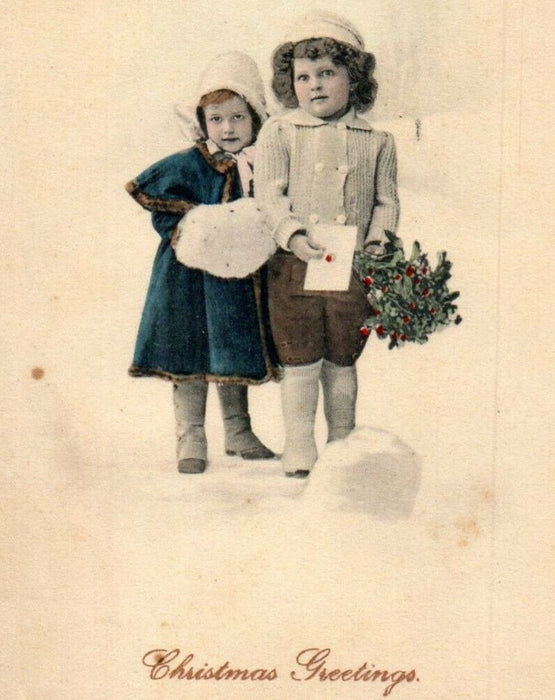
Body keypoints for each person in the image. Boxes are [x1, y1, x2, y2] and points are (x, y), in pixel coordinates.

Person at [255, 12, 400, 477]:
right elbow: (268, 196)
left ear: (352, 77)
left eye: (327, 73)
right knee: (298, 356)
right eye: (303, 76)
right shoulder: (279, 132)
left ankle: (341, 448)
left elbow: (386, 202)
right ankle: (299, 448)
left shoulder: (377, 140)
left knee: (341, 355)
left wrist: (378, 244)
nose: (314, 85)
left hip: (349, 262)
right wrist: (293, 237)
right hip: (293, 262)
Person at [125, 51, 279, 474]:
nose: (227, 128)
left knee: (232, 344)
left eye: (237, 117)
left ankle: (238, 429)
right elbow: (159, 208)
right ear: (202, 121)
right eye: (216, 119)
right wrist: (189, 230)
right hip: (185, 280)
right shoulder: (188, 164)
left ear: (256, 117)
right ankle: (190, 434)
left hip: (236, 280)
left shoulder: (264, 163)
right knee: (187, 348)